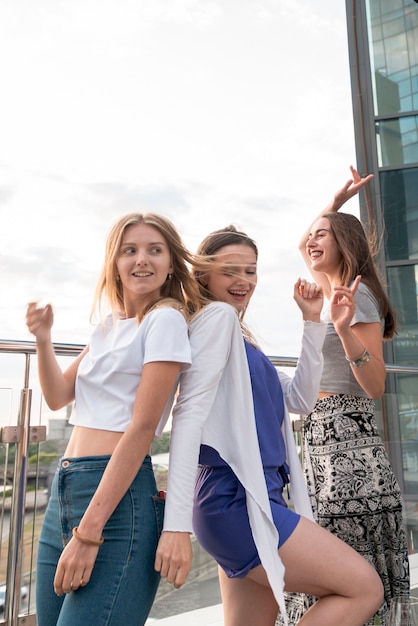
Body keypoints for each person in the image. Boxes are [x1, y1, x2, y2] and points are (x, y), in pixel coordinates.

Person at [155, 225, 383, 626]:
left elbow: (298, 399)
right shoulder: (218, 319)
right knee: (363, 588)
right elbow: (186, 417)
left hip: (251, 498)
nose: (243, 281)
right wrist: (175, 528)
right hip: (235, 498)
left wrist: (313, 322)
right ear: (203, 275)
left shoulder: (238, 338)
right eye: (231, 271)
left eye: (251, 271)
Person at [26, 213, 207, 626]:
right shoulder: (108, 327)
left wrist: (89, 534)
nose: (141, 259)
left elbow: (142, 429)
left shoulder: (165, 321)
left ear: (170, 265)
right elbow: (57, 396)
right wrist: (42, 338)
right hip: (66, 485)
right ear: (116, 263)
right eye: (130, 250)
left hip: (116, 497)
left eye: (154, 250)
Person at [280, 166, 410, 626]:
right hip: (317, 431)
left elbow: (374, 385)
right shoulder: (328, 287)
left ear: (344, 245)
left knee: (343, 548)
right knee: (324, 541)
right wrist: (333, 203)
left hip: (347, 438)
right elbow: (303, 241)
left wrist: (341, 328)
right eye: (312, 235)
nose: (310, 243)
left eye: (323, 236)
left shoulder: (360, 298)